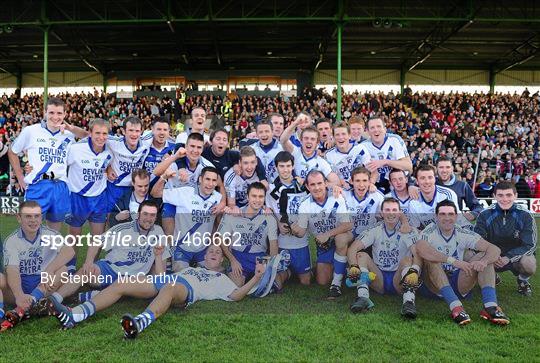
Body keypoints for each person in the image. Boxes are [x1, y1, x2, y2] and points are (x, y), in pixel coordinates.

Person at [48, 246, 265, 337]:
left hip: (184, 290)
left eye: (217, 252)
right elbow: (161, 276)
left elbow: (237, 296)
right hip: (167, 280)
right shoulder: (191, 267)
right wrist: (159, 256)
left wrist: (256, 276)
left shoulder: (221, 279)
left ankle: (140, 322)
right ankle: (75, 315)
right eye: (210, 251)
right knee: (123, 282)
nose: (213, 253)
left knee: (169, 288)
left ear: (222, 260)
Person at [49, 200, 168, 304]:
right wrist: (89, 262)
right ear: (138, 215)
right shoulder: (124, 229)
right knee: (85, 272)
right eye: (145, 214)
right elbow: (97, 242)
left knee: (150, 286)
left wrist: (158, 256)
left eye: (152, 215)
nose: (148, 218)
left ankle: (92, 295)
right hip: (111, 270)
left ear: (156, 217)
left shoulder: (159, 232)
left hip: (133, 279)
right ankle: (54, 299)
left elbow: (160, 274)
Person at [415, 200, 510, 326]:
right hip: (435, 286)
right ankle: (456, 307)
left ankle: (490, 307)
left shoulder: (461, 232)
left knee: (484, 256)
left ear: (456, 216)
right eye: (442, 214)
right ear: (436, 216)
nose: (447, 218)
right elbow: (422, 249)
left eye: (451, 214)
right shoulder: (429, 231)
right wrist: (454, 261)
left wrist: (483, 261)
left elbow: (494, 249)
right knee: (431, 259)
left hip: (458, 282)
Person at [8, 97, 88, 230]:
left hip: (60, 185)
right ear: (44, 112)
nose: (55, 117)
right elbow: (12, 151)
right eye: (51, 113)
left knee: (54, 232)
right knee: (30, 228)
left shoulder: (69, 135)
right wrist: (20, 177)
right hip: (38, 185)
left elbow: (89, 136)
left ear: (65, 114)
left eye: (59, 113)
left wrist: (71, 127)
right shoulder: (31, 131)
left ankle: (51, 251)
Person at [0, 201, 75, 331]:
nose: (33, 220)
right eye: (28, 216)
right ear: (19, 218)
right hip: (20, 285)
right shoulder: (12, 240)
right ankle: (34, 306)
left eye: (37, 216)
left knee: (63, 270)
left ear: (41, 217)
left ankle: (24, 308)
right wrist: (19, 295)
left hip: (43, 284)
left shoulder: (50, 234)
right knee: (2, 278)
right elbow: (12, 270)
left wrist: (49, 270)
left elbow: (69, 251)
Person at [347, 198, 420, 318]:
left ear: (400, 213)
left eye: (394, 210)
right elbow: (352, 249)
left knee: (408, 260)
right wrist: (353, 267)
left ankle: (409, 302)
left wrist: (415, 271)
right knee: (361, 256)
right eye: (387, 210)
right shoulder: (375, 229)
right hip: (378, 278)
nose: (391, 213)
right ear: (381, 213)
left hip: (399, 278)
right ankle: (363, 297)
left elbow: (417, 254)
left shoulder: (407, 230)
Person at [291, 170, 352, 298]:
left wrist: (327, 234)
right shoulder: (304, 205)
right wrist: (294, 229)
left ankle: (336, 284)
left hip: (343, 237)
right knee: (322, 281)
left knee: (340, 239)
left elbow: (348, 225)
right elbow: (301, 232)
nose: (317, 187)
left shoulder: (337, 196)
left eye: (319, 183)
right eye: (312, 185)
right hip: (324, 245)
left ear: (325, 183)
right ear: (307, 187)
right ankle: (343, 268)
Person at [151, 166, 223, 272]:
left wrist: (223, 205)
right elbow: (155, 193)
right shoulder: (185, 193)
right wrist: (164, 177)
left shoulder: (218, 198)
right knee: (182, 277)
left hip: (203, 249)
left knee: (213, 275)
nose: (210, 184)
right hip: (182, 247)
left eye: (213, 180)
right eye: (207, 179)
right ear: (200, 179)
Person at [474, 181, 537, 296]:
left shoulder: (525, 214)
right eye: (500, 195)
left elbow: (530, 245)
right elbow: (477, 240)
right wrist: (492, 255)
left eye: (509, 195)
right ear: (494, 196)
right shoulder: (485, 214)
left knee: (529, 263)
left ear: (516, 196)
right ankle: (492, 275)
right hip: (492, 256)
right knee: (470, 256)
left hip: (515, 258)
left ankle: (522, 280)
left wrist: (508, 257)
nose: (505, 199)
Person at [217, 182, 280, 287]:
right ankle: (235, 274)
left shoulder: (269, 218)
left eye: (261, 196)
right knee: (236, 285)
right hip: (238, 258)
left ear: (264, 198)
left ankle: (287, 272)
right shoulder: (234, 214)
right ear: (247, 197)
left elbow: (274, 246)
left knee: (276, 283)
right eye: (254, 196)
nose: (257, 200)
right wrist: (232, 260)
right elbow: (220, 239)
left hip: (259, 257)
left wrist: (269, 265)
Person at [266, 151, 311, 285]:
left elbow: (310, 206)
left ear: (293, 166)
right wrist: (278, 223)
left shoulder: (302, 187)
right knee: (279, 277)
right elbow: (270, 211)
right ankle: (289, 271)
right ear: (276, 167)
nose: (285, 169)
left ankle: (300, 271)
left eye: (288, 166)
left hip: (300, 240)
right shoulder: (271, 189)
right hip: (282, 240)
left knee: (306, 281)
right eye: (281, 166)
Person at [65, 118, 112, 237]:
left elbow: (110, 164)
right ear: (90, 133)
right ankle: (71, 257)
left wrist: (109, 168)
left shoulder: (111, 149)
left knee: (97, 239)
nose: (101, 137)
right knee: (73, 238)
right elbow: (59, 165)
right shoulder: (76, 149)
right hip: (77, 197)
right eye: (97, 133)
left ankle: (92, 257)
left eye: (104, 133)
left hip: (99, 197)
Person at [105, 115, 153, 213]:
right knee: (110, 216)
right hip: (116, 186)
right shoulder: (114, 142)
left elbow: (161, 132)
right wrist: (108, 167)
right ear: (123, 131)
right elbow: (91, 135)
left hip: (135, 188)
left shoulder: (146, 142)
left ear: (141, 132)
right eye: (131, 130)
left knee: (134, 219)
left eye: (137, 131)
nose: (134, 134)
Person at [280, 116, 339, 186]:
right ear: (301, 141)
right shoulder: (295, 152)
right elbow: (283, 140)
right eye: (306, 138)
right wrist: (295, 123)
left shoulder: (321, 162)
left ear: (317, 143)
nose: (309, 141)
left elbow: (336, 182)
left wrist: (312, 185)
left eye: (312, 139)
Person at [361, 117, 412, 193]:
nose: (376, 130)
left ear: (385, 129)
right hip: (376, 185)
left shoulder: (395, 139)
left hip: (398, 183)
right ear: (367, 131)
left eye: (379, 126)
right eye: (372, 128)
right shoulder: (363, 146)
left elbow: (409, 167)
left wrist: (385, 162)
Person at [408, 164, 460, 229]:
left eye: (430, 177)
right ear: (417, 181)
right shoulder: (413, 202)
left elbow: (457, 222)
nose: (427, 181)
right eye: (422, 178)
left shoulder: (447, 194)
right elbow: (415, 228)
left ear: (435, 179)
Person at [325, 123, 373, 188]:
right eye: (337, 135)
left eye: (343, 134)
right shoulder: (329, 156)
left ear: (349, 135)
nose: (341, 137)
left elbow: (372, 170)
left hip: (361, 188)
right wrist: (340, 182)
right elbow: (329, 179)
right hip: (342, 191)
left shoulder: (360, 149)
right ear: (333, 137)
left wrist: (371, 184)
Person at [436, 157, 482, 222]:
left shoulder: (462, 185)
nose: (444, 170)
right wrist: (415, 188)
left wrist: (473, 214)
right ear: (436, 169)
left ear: (452, 168)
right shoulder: (429, 184)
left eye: (447, 167)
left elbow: (478, 207)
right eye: (441, 167)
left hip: (455, 227)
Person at [343, 167, 385, 239]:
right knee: (341, 239)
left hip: (369, 236)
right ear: (351, 182)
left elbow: (388, 215)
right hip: (349, 234)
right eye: (357, 181)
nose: (361, 185)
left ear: (369, 182)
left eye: (365, 180)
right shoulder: (344, 195)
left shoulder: (377, 196)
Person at [142, 117, 176, 189]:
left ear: (169, 131)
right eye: (159, 129)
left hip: (165, 192)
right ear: (152, 129)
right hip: (144, 190)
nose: (162, 133)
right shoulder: (143, 147)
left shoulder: (174, 148)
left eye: (165, 130)